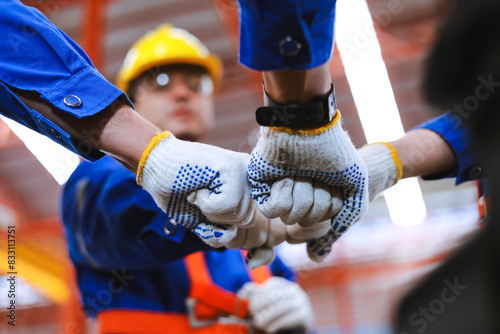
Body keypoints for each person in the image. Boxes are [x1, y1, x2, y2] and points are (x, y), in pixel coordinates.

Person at [61, 24, 323, 334]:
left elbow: (280, 280)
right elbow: (116, 219)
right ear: (131, 103)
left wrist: (291, 307)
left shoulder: (250, 228)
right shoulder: (96, 183)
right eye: (161, 82)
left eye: (197, 84)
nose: (183, 92)